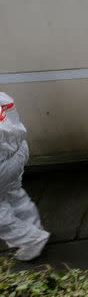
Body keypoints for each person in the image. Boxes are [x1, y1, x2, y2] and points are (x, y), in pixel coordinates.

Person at [0, 93, 50, 261]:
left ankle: (31, 239)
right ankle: (34, 228)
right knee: (12, 194)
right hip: (17, 151)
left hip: (2, 165)